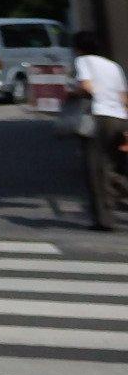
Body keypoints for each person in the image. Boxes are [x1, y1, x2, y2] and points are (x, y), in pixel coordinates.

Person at [72, 30, 128, 232]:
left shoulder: (83, 61)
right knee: (114, 166)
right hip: (120, 118)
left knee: (96, 169)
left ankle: (104, 220)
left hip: (99, 117)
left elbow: (87, 88)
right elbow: (124, 98)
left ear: (79, 48)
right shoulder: (113, 66)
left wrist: (71, 93)